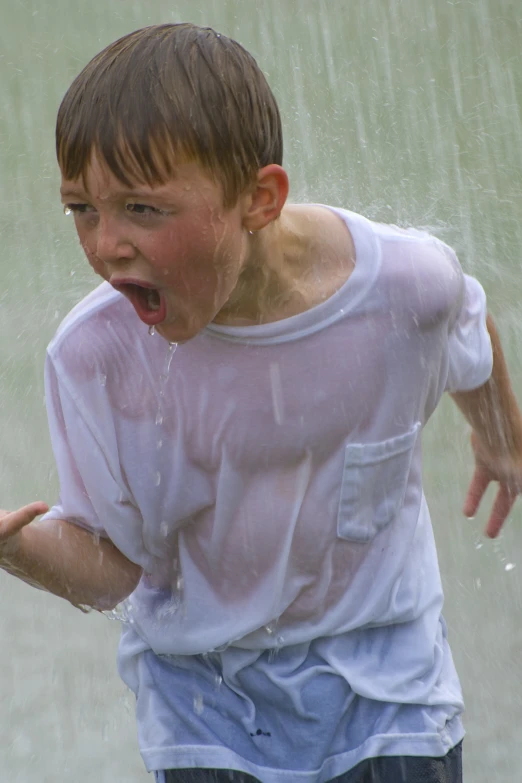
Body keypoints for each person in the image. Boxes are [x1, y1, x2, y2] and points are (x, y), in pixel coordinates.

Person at [1, 22, 521, 783]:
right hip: (206, 711)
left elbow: (466, 324)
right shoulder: (96, 356)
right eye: (82, 208)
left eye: (142, 209)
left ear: (260, 197)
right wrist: (13, 548)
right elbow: (114, 568)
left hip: (392, 691)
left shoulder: (401, 285)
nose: (105, 244)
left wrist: (500, 436)